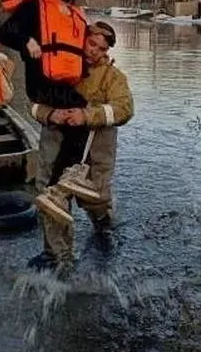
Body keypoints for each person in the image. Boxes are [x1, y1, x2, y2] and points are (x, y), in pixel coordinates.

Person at [27, 21, 134, 274]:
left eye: (101, 48)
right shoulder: (56, 66)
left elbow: (125, 108)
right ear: (82, 39)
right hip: (54, 147)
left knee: (95, 199)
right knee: (50, 197)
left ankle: (103, 225)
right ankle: (57, 256)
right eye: (91, 43)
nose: (94, 50)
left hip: (94, 153)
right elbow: (31, 102)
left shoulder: (113, 77)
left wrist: (87, 115)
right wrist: (49, 114)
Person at [0, 0, 91, 177]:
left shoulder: (73, 12)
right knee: (73, 125)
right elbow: (4, 32)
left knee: (80, 125)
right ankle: (57, 181)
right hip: (43, 83)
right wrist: (26, 40)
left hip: (67, 85)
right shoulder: (34, 6)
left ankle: (62, 180)